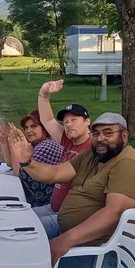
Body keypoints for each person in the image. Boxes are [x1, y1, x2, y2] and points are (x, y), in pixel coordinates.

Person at [8, 112, 135, 268]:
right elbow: (55, 173)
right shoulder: (93, 156)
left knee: (23, 263)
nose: (100, 138)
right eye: (96, 133)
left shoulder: (127, 164)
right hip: (74, 235)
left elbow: (114, 213)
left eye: (108, 133)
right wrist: (27, 161)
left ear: (124, 136)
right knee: (14, 238)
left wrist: (65, 240)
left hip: (106, 252)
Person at [34, 80, 93, 238]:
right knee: (17, 216)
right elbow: (47, 120)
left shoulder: (94, 146)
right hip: (52, 207)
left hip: (66, 217)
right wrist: (43, 93)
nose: (68, 125)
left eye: (74, 120)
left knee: (26, 228)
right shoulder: (68, 140)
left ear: (88, 122)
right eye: (66, 122)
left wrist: (26, 160)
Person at [0, 110, 63, 207]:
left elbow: (18, 172)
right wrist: (4, 143)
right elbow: (10, 163)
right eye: (26, 127)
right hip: (32, 195)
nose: (28, 131)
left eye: (34, 126)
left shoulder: (46, 146)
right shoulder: (37, 144)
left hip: (44, 203)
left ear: (44, 128)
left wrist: (14, 145)